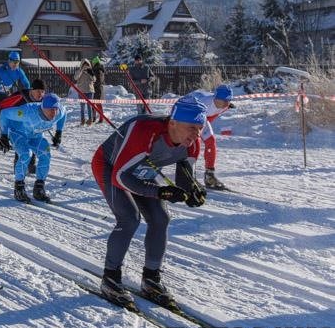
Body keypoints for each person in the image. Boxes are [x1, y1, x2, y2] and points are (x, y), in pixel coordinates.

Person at [90, 97, 207, 308]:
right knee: (129, 218)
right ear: (173, 123)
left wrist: (193, 192)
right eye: (192, 127)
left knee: (161, 218)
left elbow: (186, 179)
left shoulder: (192, 144)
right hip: (111, 167)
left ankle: (151, 278)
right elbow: (120, 176)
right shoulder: (145, 132)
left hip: (142, 170)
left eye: (200, 128)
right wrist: (160, 191)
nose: (197, 134)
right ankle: (110, 278)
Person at [0, 92, 66, 203]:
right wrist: (4, 135)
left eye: (55, 109)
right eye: (50, 110)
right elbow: (4, 113)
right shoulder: (27, 112)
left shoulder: (59, 112)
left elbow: (64, 113)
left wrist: (59, 132)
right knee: (26, 154)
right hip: (18, 134)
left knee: (46, 155)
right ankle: (19, 188)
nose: (53, 113)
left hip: (36, 136)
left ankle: (39, 188)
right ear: (43, 108)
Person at [180, 84, 234, 190]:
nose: (225, 104)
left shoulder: (224, 105)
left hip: (201, 116)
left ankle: (209, 175)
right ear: (215, 98)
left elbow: (211, 116)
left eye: (228, 101)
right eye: (223, 101)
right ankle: (187, 175)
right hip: (187, 113)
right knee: (193, 143)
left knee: (210, 141)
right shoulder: (204, 104)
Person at [0, 77, 47, 175]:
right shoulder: (20, 97)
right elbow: (2, 109)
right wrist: (4, 135)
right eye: (38, 91)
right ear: (32, 90)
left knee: (34, 141)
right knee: (22, 144)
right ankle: (18, 167)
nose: (40, 94)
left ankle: (31, 165)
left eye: (42, 92)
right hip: (16, 125)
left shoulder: (44, 101)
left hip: (32, 127)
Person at [0, 51, 31, 148]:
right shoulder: (1, 71)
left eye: (17, 62)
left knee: (8, 115)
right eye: (13, 62)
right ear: (9, 61)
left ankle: (5, 138)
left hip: (4, 94)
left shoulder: (19, 71)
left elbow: (26, 84)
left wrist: (28, 94)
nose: (15, 64)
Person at [74, 59, 96, 125]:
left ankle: (90, 120)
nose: (86, 66)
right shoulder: (79, 71)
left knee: (89, 106)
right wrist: (81, 70)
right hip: (81, 91)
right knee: (82, 107)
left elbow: (94, 79)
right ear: (82, 65)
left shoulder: (90, 71)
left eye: (87, 65)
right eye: (84, 65)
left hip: (90, 90)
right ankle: (82, 120)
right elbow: (76, 78)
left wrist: (91, 73)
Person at [91, 56, 106, 123]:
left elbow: (99, 80)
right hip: (97, 89)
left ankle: (101, 118)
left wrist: (93, 84)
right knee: (94, 103)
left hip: (97, 89)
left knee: (98, 104)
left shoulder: (98, 70)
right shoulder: (99, 69)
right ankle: (94, 118)